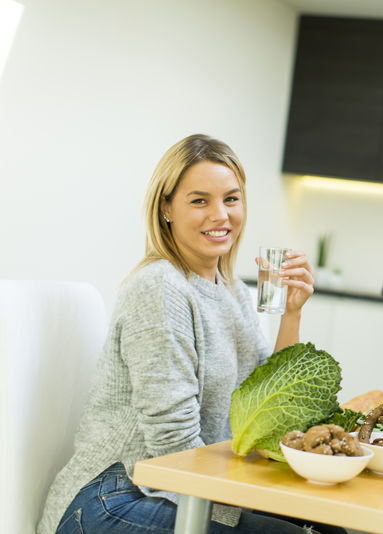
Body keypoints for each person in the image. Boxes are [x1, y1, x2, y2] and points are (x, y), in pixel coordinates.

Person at [38, 134, 343, 534]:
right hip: (117, 497)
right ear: (166, 207)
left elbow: (272, 407)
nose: (221, 215)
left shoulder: (232, 289)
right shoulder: (160, 287)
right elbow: (174, 442)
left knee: (330, 527)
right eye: (200, 201)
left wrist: (292, 315)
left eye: (231, 199)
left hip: (179, 488)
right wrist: (250, 505)